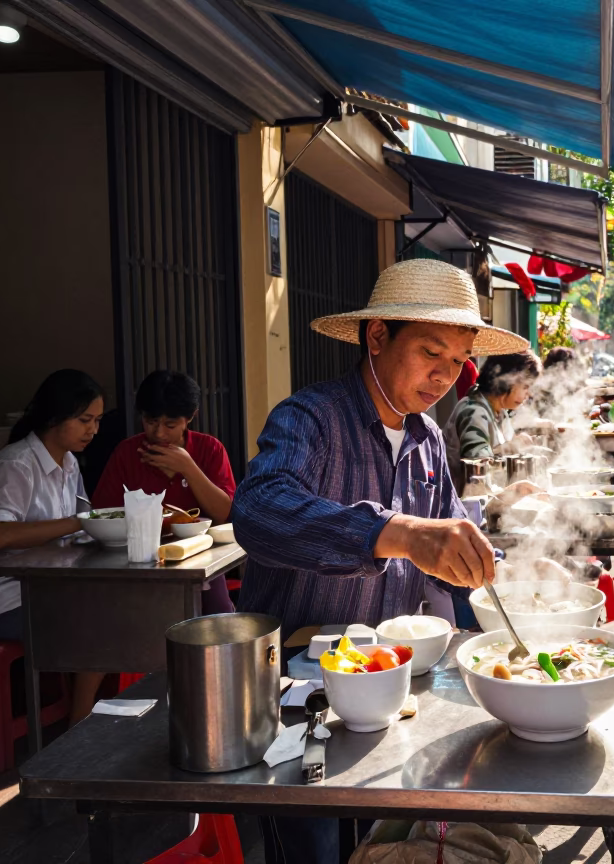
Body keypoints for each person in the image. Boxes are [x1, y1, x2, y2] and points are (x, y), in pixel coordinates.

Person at [230, 259, 532, 864]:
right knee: (315, 845)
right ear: (376, 337)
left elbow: (453, 535)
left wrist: (509, 573)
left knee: (388, 833)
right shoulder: (309, 418)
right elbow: (257, 511)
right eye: (429, 352)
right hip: (298, 699)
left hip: (392, 690)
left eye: (457, 361)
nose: (443, 375)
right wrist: (397, 532)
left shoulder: (425, 439)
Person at [0, 369, 107, 724]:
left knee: (120, 607)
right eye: (85, 419)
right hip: (0, 597)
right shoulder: (14, 466)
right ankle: (79, 729)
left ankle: (81, 720)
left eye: (98, 420)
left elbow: (81, 526)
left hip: (43, 587)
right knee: (102, 627)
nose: (93, 430)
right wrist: (77, 524)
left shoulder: (69, 463)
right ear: (56, 417)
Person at [92, 370, 237, 614]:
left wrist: (188, 468)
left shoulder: (209, 449)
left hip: (199, 556)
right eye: (150, 422)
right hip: (137, 561)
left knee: (219, 615)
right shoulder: (128, 453)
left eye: (170, 425)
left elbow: (224, 513)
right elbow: (103, 515)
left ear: (190, 418)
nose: (159, 433)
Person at [443, 350, 543, 490]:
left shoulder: (500, 412)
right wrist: (510, 447)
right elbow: (477, 472)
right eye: (525, 387)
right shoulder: (474, 412)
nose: (529, 394)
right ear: (505, 381)